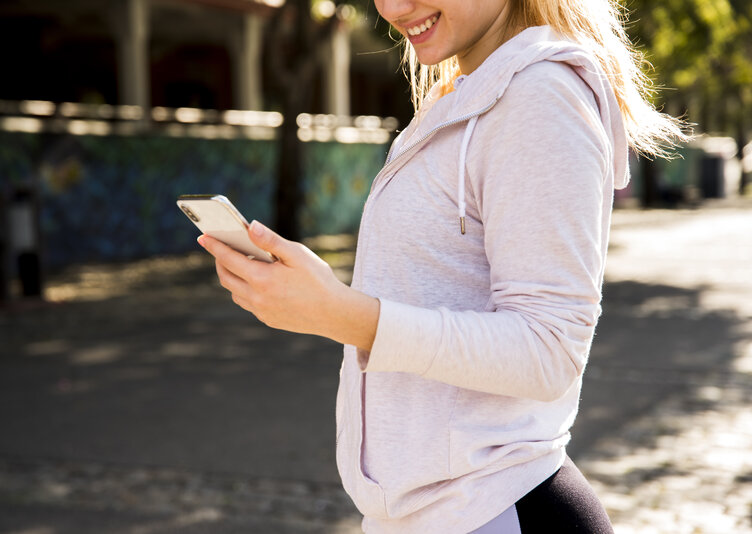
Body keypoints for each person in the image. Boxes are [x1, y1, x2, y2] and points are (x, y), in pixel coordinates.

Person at [197, 0, 686, 532]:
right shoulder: (459, 93)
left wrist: (341, 314)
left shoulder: (540, 97)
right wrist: (318, 302)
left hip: (495, 510)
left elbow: (550, 351)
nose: (393, 7)